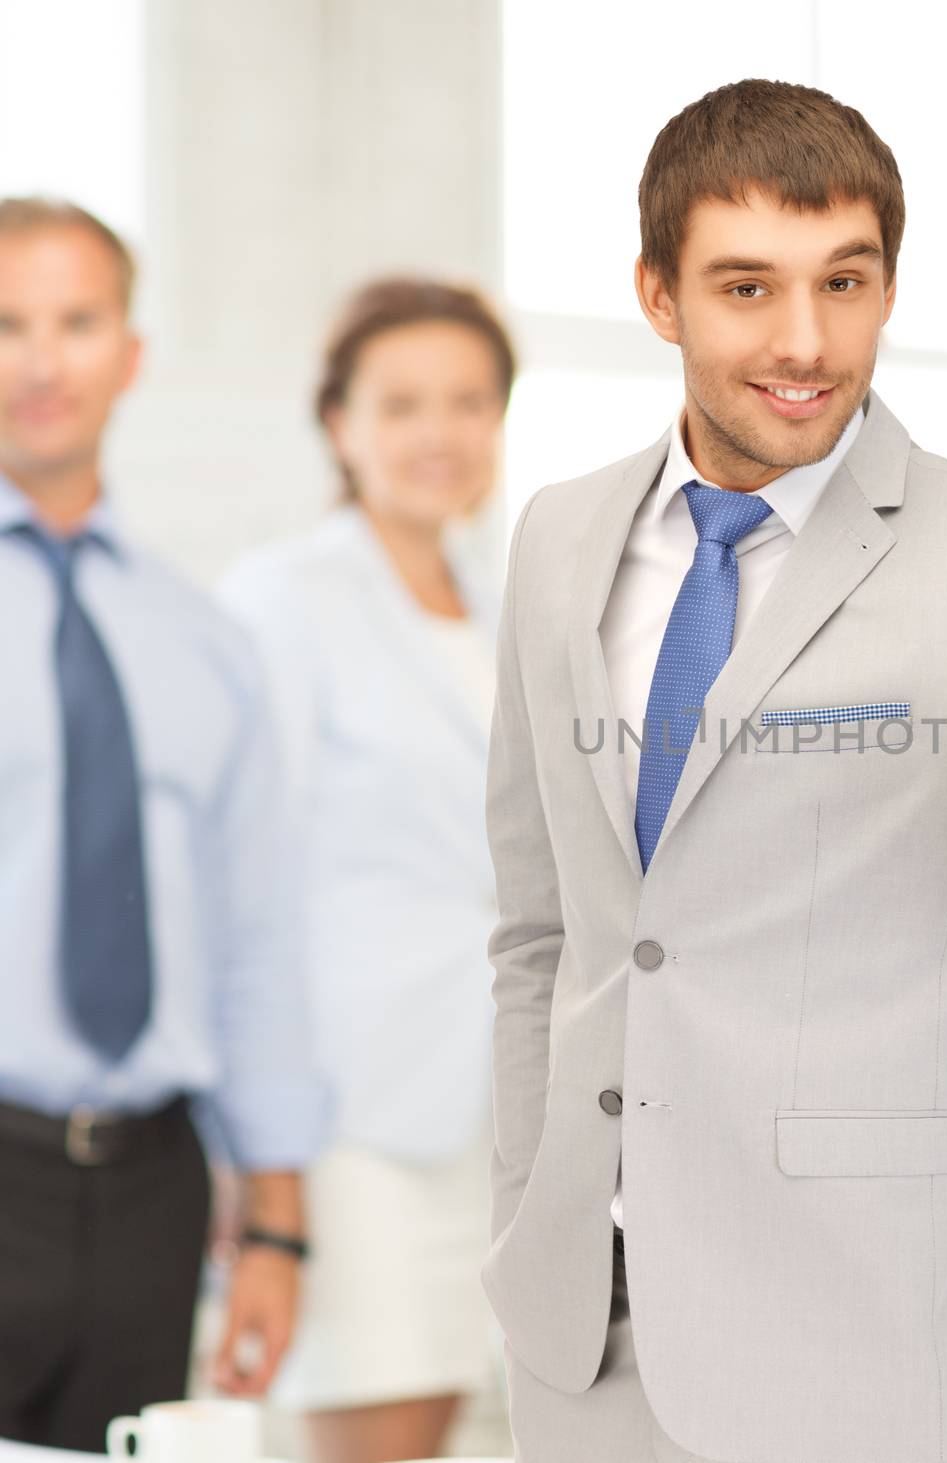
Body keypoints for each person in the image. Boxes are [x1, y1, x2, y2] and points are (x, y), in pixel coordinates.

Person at [483, 79, 947, 1463]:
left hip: (862, 1324)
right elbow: (543, 931)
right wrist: (524, 1207)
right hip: (585, 1330)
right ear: (658, 296)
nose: (807, 340)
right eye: (747, 287)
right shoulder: (557, 536)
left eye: (845, 280)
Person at [0, 197, 324, 1453]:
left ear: (129, 354)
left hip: (153, 1189)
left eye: (77, 322)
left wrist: (279, 1230)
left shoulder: (206, 642)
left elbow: (255, 942)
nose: (41, 359)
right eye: (8, 322)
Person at [218, 278, 516, 1463]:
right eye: (400, 403)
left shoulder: (505, 608)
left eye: (467, 401)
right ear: (339, 423)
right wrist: (255, 1154)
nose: (438, 433)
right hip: (352, 1109)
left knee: (437, 1418)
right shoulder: (282, 598)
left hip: (495, 1105)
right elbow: (249, 879)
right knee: (371, 1436)